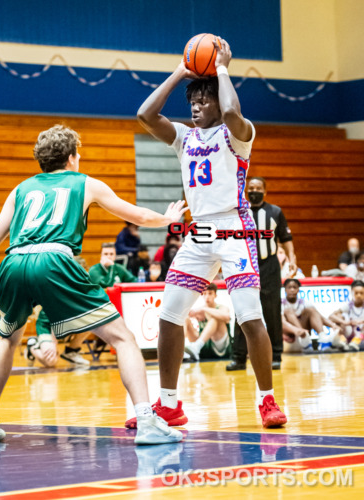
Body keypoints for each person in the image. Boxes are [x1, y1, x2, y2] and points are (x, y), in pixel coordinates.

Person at [0, 124, 187, 445]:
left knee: (8, 340)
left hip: (13, 262)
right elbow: (136, 216)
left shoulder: (21, 189)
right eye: (78, 153)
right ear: (71, 158)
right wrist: (167, 218)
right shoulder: (85, 184)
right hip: (55, 259)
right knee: (123, 339)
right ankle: (147, 420)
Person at [126, 37, 287, 429]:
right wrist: (182, 69)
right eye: (191, 101)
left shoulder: (238, 135)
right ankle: (169, 404)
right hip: (199, 232)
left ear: (217, 99)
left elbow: (232, 111)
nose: (195, 106)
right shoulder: (184, 137)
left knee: (250, 318)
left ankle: (266, 400)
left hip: (234, 226)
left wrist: (222, 69)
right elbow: (146, 114)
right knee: (168, 315)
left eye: (203, 99)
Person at [226, 176, 298, 372]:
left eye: (258, 188)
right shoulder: (239, 212)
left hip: (269, 266)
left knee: (272, 311)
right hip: (245, 266)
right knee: (242, 311)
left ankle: (275, 356)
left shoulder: (275, 212)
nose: (254, 191)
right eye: (251, 187)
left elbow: (286, 237)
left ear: (265, 192)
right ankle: (239, 358)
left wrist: (292, 258)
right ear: (246, 190)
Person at [281, 279, 341, 351]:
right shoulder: (280, 303)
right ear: (285, 289)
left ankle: (322, 338)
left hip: (305, 331)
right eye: (289, 287)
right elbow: (282, 322)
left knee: (311, 310)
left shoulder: (304, 302)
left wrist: (333, 325)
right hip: (290, 333)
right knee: (288, 311)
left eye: (294, 287)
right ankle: (302, 335)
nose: (292, 290)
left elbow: (319, 317)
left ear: (298, 289)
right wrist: (296, 330)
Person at [184, 283, 232, 361]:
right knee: (185, 319)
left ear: (215, 295)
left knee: (214, 319)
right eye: (205, 293)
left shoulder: (222, 307)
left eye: (210, 293)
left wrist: (205, 309)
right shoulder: (198, 310)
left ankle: (197, 346)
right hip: (204, 347)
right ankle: (180, 350)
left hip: (220, 347)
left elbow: (227, 317)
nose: (207, 297)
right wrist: (189, 314)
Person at [329, 280, 364, 351]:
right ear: (352, 293)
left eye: (361, 293)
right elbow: (331, 316)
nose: (359, 295)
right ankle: (342, 341)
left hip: (361, 335)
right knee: (339, 316)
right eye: (356, 293)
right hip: (351, 334)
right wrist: (346, 322)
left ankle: (356, 342)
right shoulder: (349, 306)